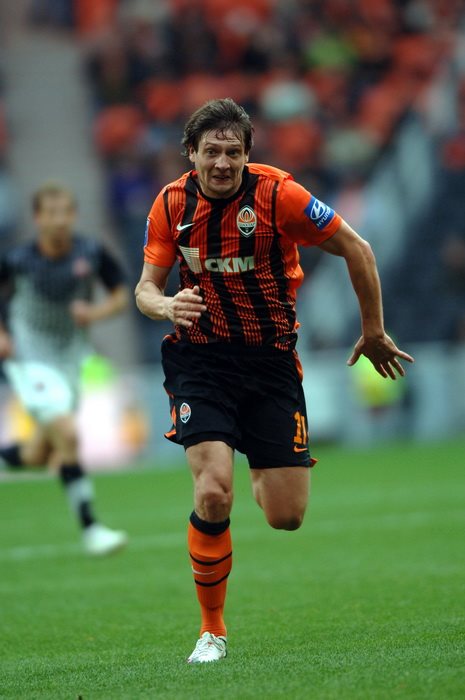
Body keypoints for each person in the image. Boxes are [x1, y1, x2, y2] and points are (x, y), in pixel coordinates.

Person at [135, 98, 414, 663]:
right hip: (201, 361)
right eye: (211, 151)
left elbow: (357, 248)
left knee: (286, 516)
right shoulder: (170, 204)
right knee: (213, 492)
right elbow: (145, 288)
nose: (221, 163)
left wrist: (373, 330)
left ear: (247, 154)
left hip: (270, 363)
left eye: (232, 152)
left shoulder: (278, 195)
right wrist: (165, 306)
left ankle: (255, 454)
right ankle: (211, 631)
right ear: (191, 153)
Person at [0, 182, 129, 556]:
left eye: (65, 213)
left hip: (71, 357)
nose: (58, 221)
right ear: (37, 218)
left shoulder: (91, 252)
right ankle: (91, 528)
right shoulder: (17, 260)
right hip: (29, 356)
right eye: (50, 213)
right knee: (68, 434)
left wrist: (95, 313)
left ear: (73, 215)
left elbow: (121, 295)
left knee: (40, 454)